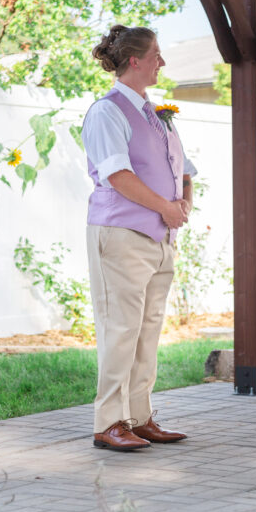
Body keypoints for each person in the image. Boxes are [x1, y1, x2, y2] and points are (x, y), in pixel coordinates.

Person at [81, 25, 196, 450]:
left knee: (147, 331)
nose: (161, 62)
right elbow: (117, 175)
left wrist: (183, 202)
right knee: (120, 329)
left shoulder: (159, 114)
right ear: (135, 60)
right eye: (157, 55)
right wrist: (165, 208)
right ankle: (109, 422)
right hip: (121, 234)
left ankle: (140, 416)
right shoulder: (107, 111)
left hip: (160, 238)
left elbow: (184, 169)